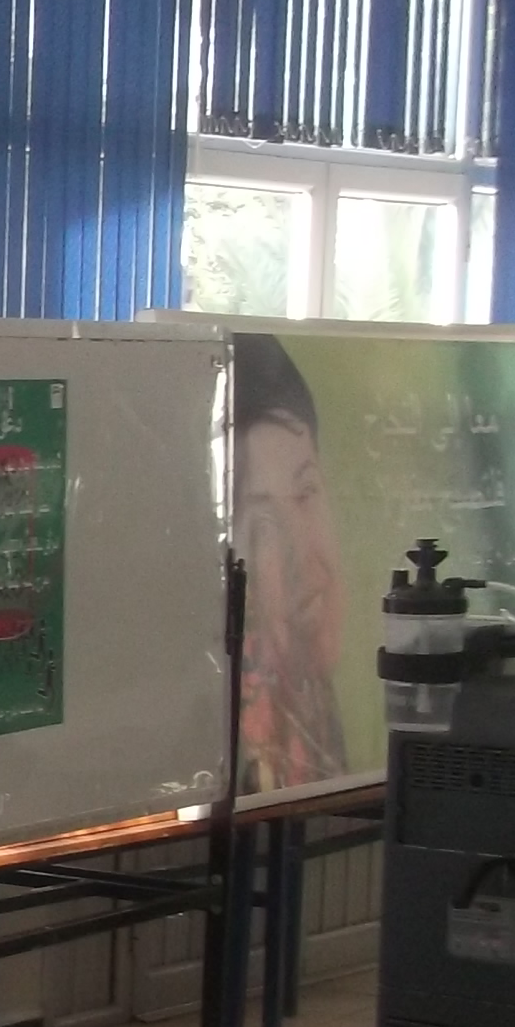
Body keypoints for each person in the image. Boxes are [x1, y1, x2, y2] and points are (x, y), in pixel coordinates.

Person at [231, 332, 349, 793]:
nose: (304, 553)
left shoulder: (317, 714)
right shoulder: (233, 741)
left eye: (306, 492)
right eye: (263, 523)